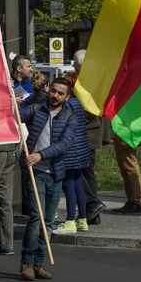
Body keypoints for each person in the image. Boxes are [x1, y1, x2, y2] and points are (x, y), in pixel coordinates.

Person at [18, 78, 77, 281]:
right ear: (48, 90)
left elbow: (64, 144)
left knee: (48, 221)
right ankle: (26, 262)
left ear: (67, 97)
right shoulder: (36, 109)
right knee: (37, 217)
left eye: (60, 93)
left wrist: (41, 154)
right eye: (53, 91)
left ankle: (38, 263)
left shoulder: (70, 117)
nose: (55, 96)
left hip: (56, 174)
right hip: (35, 172)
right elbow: (16, 117)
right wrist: (13, 105)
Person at [73, 49, 109, 224]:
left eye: (75, 63)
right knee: (87, 173)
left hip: (87, 134)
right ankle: (92, 212)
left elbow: (90, 110)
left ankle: (92, 205)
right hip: (88, 133)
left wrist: (71, 119)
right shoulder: (85, 80)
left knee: (81, 171)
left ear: (81, 65)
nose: (73, 65)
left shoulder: (89, 82)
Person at [53, 72, 91, 234]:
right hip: (81, 150)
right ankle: (82, 219)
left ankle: (69, 221)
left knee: (68, 185)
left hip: (69, 150)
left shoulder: (66, 106)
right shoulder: (78, 103)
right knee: (77, 184)